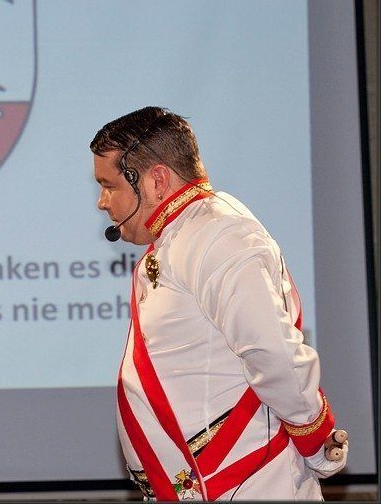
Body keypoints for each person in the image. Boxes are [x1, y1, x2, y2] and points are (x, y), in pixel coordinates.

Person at [90, 107, 348, 500]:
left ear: (156, 180)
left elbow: (272, 350)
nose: (102, 202)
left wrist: (315, 439)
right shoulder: (182, 237)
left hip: (249, 483)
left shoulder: (219, 233)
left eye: (109, 185)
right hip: (212, 486)